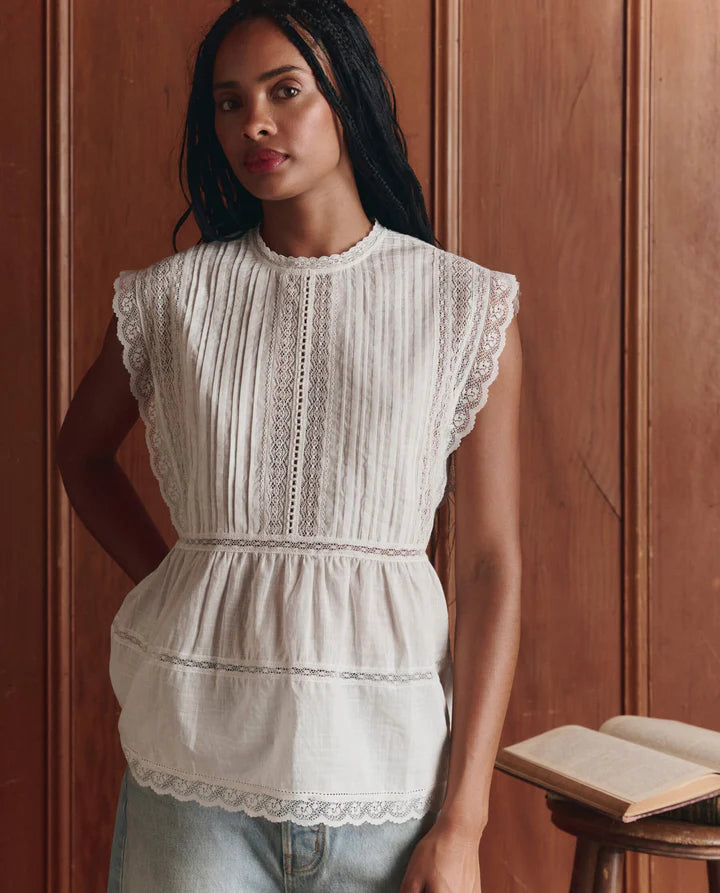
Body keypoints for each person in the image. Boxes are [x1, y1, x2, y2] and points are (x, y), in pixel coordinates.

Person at [56, 1, 523, 890]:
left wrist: (463, 822)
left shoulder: (462, 309)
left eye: (284, 90)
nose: (254, 122)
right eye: (228, 103)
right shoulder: (170, 301)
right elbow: (81, 452)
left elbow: (493, 566)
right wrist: (176, 580)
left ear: (347, 99)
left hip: (387, 790)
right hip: (191, 779)